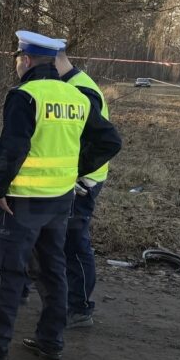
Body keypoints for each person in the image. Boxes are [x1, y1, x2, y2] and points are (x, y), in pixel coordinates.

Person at [0, 31, 121, 360]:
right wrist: (75, 170)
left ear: (26, 60)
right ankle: (51, 342)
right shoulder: (77, 97)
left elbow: (11, 151)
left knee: (6, 272)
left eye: (17, 58)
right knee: (52, 271)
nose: (17, 63)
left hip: (22, 203)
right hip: (59, 202)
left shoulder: (25, 96)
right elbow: (110, 142)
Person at [56, 47, 111, 328]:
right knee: (66, 240)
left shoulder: (81, 91)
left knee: (75, 242)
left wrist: (76, 171)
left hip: (82, 183)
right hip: (77, 180)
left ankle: (79, 308)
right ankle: (70, 302)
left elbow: (104, 141)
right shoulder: (74, 85)